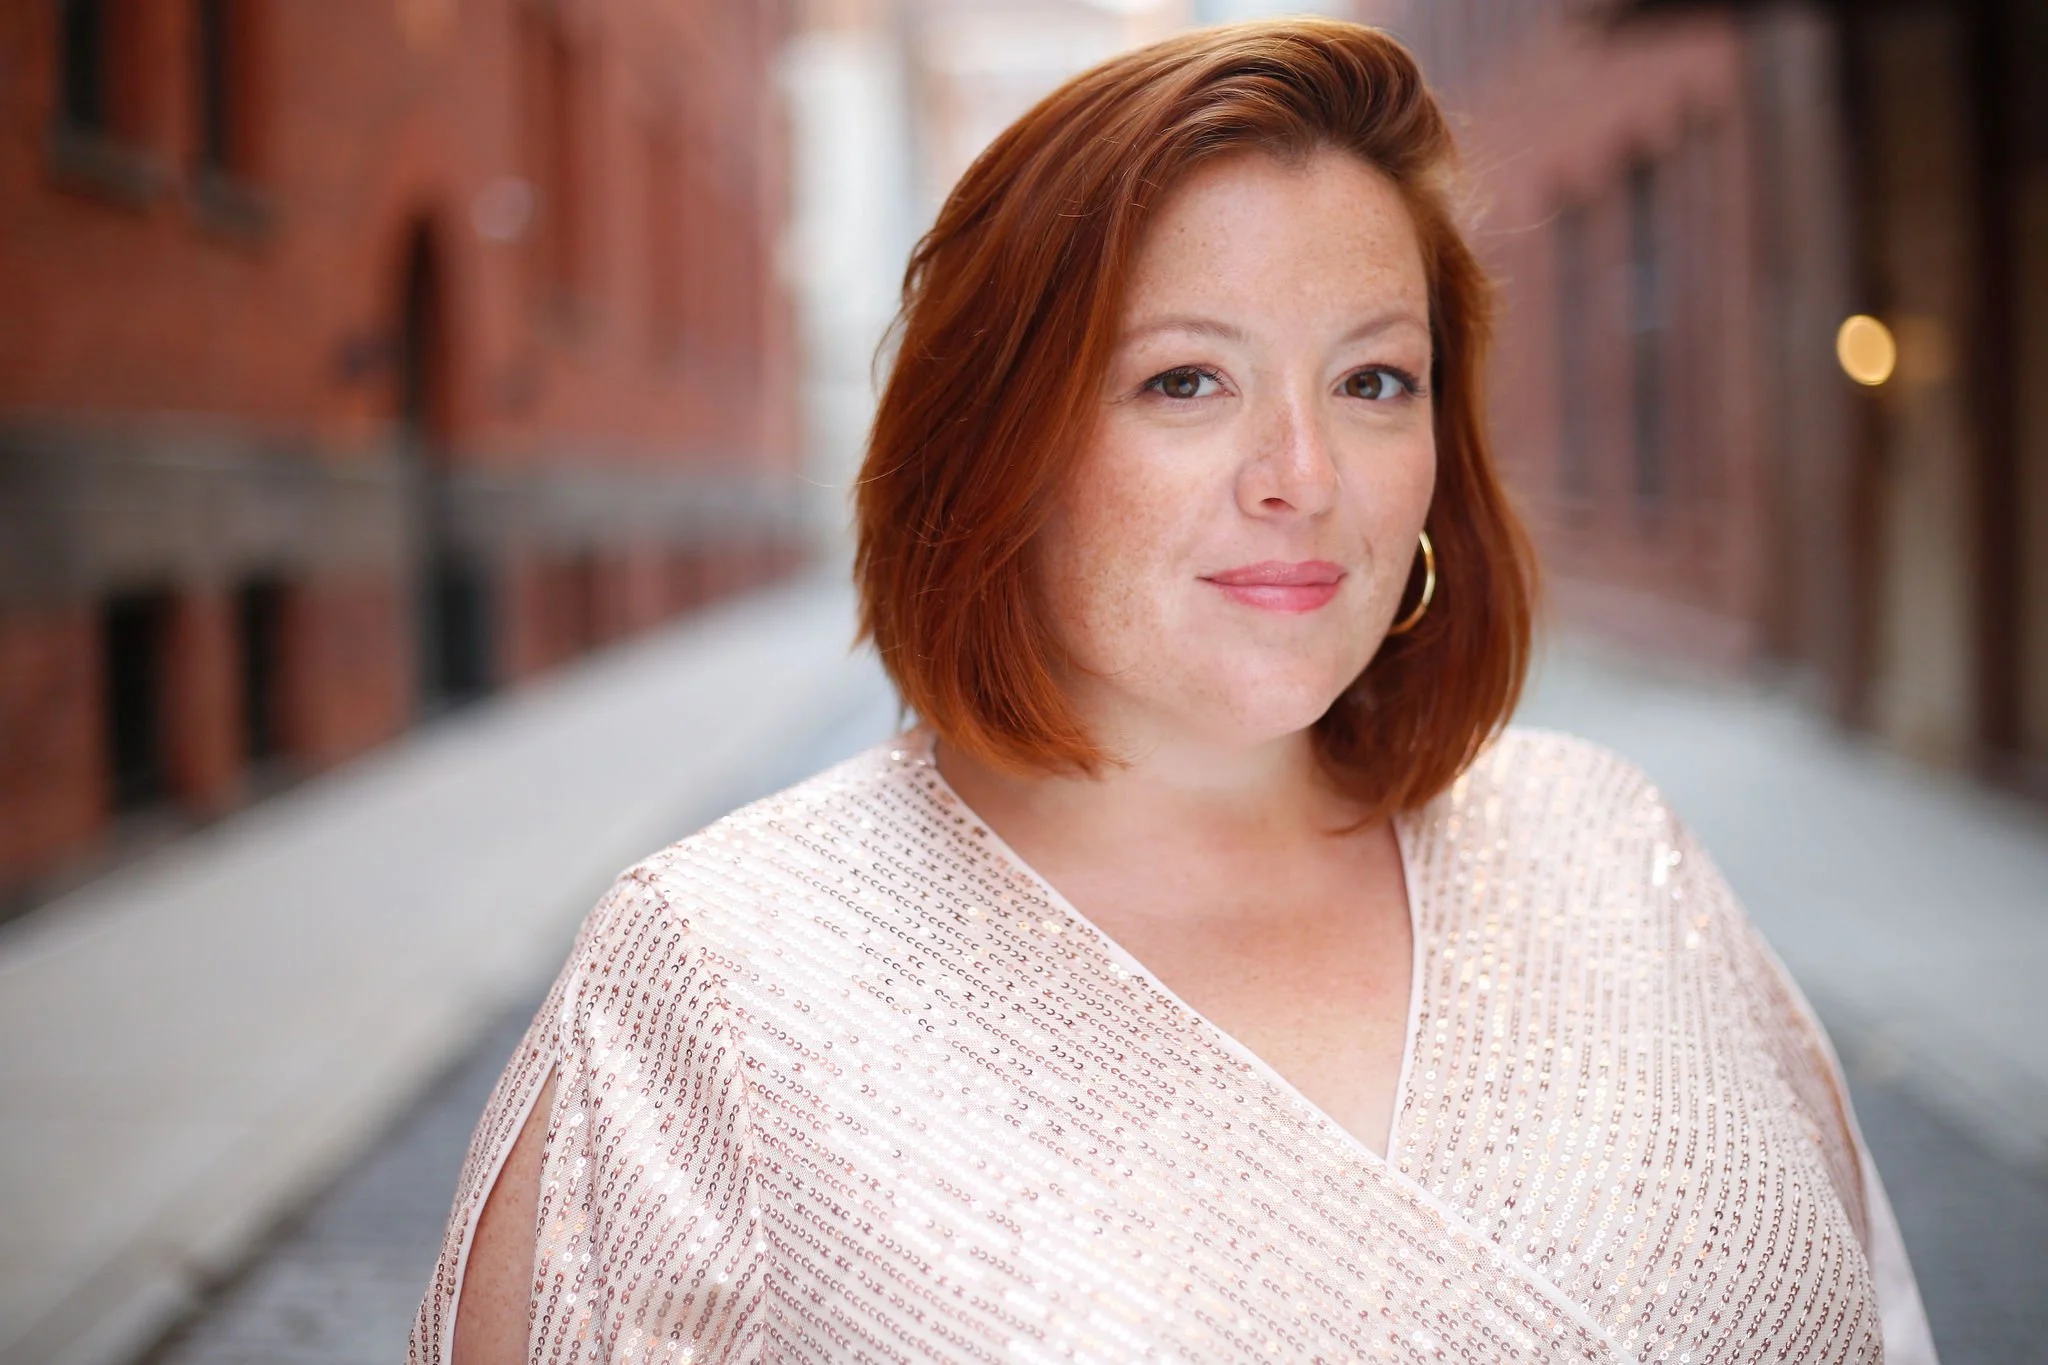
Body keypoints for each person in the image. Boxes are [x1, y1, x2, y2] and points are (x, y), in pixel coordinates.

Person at [412, 19, 1936, 1364]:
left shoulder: (1617, 847)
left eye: (1374, 380)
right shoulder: (724, 978)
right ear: (998, 451)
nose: (1305, 477)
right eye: (1184, 381)